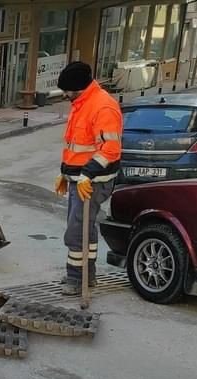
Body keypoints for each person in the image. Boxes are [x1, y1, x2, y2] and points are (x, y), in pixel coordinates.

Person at [53, 61, 122, 295]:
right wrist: (66, 173)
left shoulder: (103, 107)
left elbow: (110, 150)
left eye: (67, 91)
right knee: (85, 228)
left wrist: (86, 175)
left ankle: (75, 279)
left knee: (76, 228)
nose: (65, 95)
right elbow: (76, 146)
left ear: (78, 88)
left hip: (93, 181)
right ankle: (87, 275)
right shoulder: (82, 103)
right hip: (80, 179)